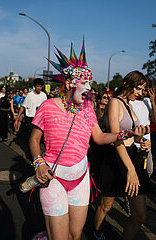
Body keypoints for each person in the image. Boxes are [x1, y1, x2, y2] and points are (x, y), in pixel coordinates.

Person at [29, 41, 147, 240]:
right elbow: (33, 140)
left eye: (90, 84)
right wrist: (39, 164)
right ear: (68, 83)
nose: (89, 89)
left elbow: (100, 137)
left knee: (75, 235)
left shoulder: (88, 109)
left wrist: (127, 134)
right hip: (53, 178)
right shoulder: (48, 106)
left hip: (80, 179)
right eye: (84, 83)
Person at [94, 71, 151, 240]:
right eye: (138, 89)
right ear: (127, 85)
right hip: (115, 157)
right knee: (106, 204)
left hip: (132, 155)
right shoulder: (114, 102)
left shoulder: (130, 105)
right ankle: (97, 232)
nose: (141, 93)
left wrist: (141, 140)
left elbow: (132, 134)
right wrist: (131, 169)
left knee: (140, 215)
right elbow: (115, 136)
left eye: (143, 90)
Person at [130, 87, 156, 177]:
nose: (143, 92)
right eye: (141, 89)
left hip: (147, 144)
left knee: (149, 170)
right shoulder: (131, 102)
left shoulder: (147, 101)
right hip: (134, 143)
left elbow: (154, 120)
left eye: (146, 90)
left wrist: (153, 102)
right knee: (136, 171)